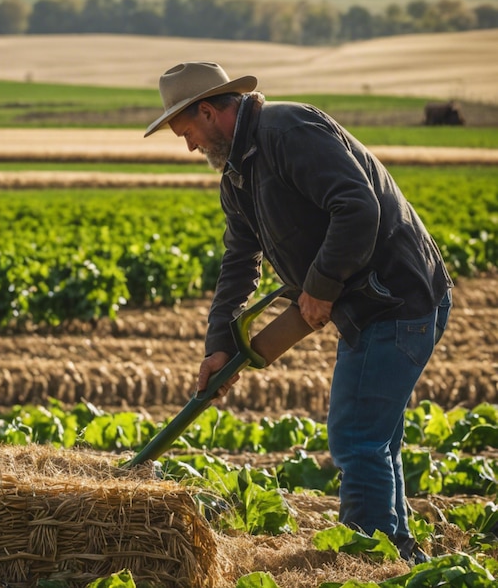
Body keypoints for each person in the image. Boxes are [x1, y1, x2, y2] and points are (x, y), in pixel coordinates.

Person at [144, 61, 453, 563]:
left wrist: (321, 285)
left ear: (208, 111)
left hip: (399, 296)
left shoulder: (288, 130)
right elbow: (239, 261)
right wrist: (219, 346)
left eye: (188, 132)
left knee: (356, 436)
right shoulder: (238, 176)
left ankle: (366, 559)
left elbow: (357, 206)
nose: (189, 146)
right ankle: (392, 552)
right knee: (375, 438)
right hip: (372, 304)